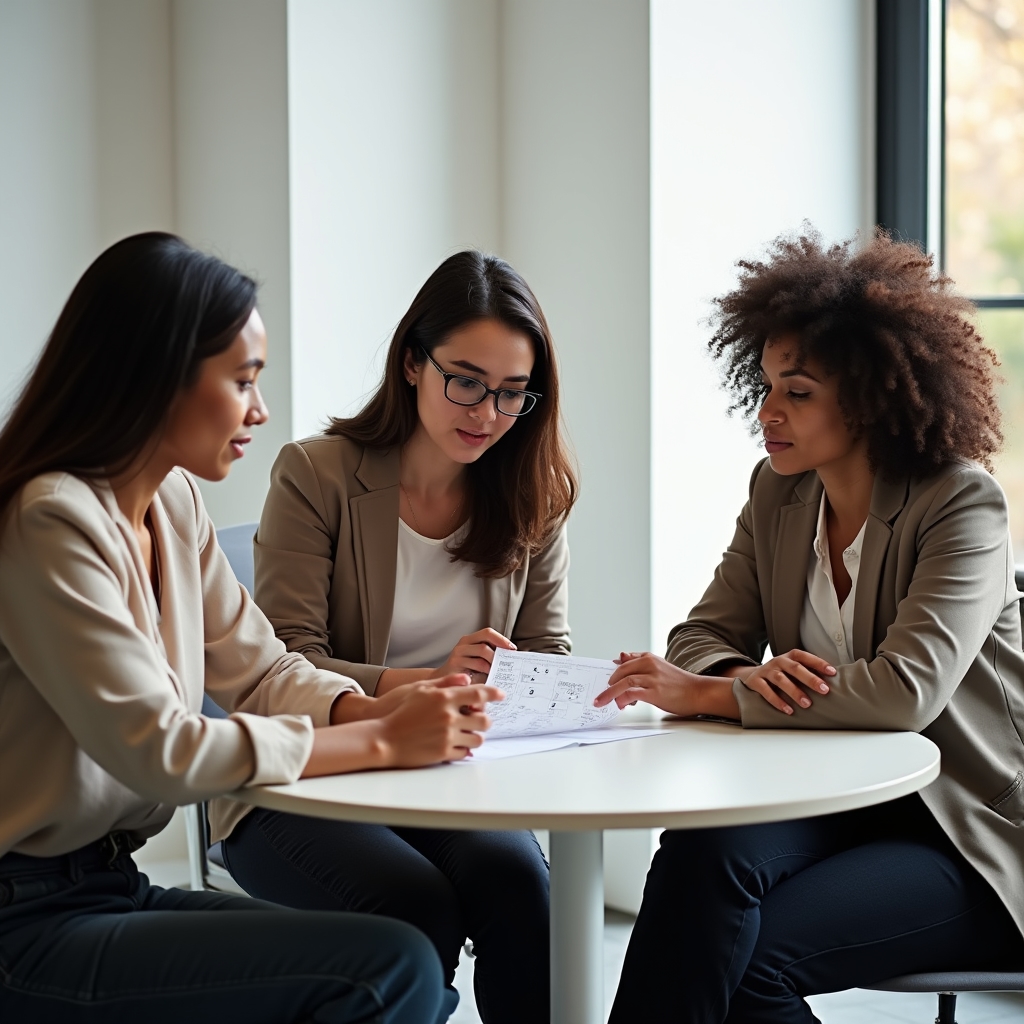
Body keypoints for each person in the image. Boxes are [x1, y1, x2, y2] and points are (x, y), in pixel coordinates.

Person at [0, 232, 503, 1023]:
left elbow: (262, 672)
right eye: (242, 380)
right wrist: (380, 741)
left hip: (108, 884)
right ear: (156, 373)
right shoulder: (51, 519)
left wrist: (366, 707)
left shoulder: (171, 504)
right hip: (24, 920)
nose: (260, 411)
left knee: (402, 945)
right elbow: (163, 750)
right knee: (387, 971)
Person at [595, 230, 1024, 1023]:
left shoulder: (961, 503)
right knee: (700, 853)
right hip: (839, 798)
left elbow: (904, 693)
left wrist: (711, 696)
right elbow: (702, 636)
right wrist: (737, 675)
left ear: (867, 398)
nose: (767, 412)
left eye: (796, 392)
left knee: (746, 961)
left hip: (965, 833)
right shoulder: (779, 492)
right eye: (765, 386)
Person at [218, 250, 578, 1024]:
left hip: (452, 778)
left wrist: (516, 680)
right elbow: (284, 664)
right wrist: (422, 683)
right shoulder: (316, 475)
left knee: (524, 890)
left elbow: (547, 654)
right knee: (416, 907)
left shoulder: (533, 495)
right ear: (413, 363)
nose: (487, 413)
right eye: (466, 382)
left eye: (512, 393)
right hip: (306, 777)